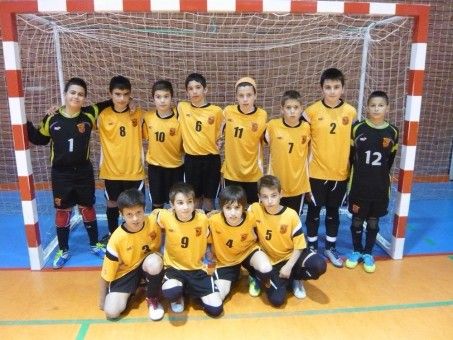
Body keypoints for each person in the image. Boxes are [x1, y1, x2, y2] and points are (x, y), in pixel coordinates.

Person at [26, 77, 106, 269]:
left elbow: (110, 103)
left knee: (87, 206)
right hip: (61, 174)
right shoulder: (52, 118)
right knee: (63, 210)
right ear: (65, 94)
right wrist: (24, 122)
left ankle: (95, 244)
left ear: (85, 98)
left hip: (83, 171)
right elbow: (40, 139)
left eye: (80, 94)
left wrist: (125, 102)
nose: (76, 97)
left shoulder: (89, 113)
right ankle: (63, 249)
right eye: (72, 92)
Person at [302, 68, 357, 267]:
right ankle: (312, 247)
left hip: (340, 174)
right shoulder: (311, 112)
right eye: (328, 87)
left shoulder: (350, 112)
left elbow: (355, 144)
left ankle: (330, 247)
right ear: (321, 88)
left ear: (342, 88)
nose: (332, 91)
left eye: (336, 87)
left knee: (333, 213)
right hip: (316, 173)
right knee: (314, 213)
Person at [248, 175, 326, 306]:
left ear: (281, 194)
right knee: (277, 301)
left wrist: (288, 266)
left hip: (292, 256)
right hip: (272, 261)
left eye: (273, 195)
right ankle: (261, 276)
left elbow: (300, 246)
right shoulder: (255, 209)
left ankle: (296, 278)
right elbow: (238, 218)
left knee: (319, 265)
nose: (270, 201)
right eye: (265, 197)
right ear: (259, 197)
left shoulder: (291, 215)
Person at [345, 91, 398, 273]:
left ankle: (368, 253)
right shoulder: (358, 128)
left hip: (380, 187)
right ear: (367, 107)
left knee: (374, 221)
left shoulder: (393, 132)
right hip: (359, 185)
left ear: (387, 108)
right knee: (357, 220)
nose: (376, 109)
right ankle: (356, 250)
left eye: (380, 105)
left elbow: (390, 160)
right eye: (373, 105)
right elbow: (351, 157)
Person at [156, 182, 223, 317]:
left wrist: (210, 260)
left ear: (194, 202)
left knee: (216, 310)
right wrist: (160, 250)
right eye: (180, 203)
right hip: (174, 269)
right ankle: (179, 295)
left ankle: (189, 290)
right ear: (172, 204)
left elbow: (208, 243)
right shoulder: (164, 216)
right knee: (171, 291)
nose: (185, 207)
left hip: (197, 269)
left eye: (189, 202)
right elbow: (153, 221)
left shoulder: (203, 219)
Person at [99, 188, 164, 320]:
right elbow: (105, 274)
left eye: (138, 212)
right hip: (126, 273)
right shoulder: (117, 238)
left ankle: (152, 298)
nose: (135, 219)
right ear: (121, 214)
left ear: (144, 209)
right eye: (129, 214)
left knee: (155, 262)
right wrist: (101, 301)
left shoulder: (154, 220)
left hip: (147, 265)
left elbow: (177, 213)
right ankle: (133, 290)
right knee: (111, 312)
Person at [97, 75, 146, 237]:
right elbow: (79, 115)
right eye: (118, 94)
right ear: (110, 94)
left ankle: (137, 234)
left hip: (134, 170)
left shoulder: (138, 114)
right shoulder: (102, 116)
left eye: (126, 94)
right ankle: (112, 234)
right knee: (112, 203)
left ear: (130, 94)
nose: (122, 98)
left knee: (136, 205)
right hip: (111, 170)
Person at [208, 185, 272, 301]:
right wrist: (210, 267)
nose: (233, 213)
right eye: (228, 208)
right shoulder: (213, 221)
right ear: (222, 208)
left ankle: (254, 275)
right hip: (226, 262)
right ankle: (235, 274)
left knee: (266, 268)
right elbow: (194, 221)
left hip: (248, 253)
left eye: (237, 207)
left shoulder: (251, 218)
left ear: (244, 207)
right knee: (218, 297)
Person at [176, 73, 223, 212]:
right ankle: (194, 231)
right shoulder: (182, 107)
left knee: (209, 199)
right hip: (192, 160)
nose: (194, 91)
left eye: (198, 87)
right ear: (187, 92)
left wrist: (221, 142)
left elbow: (222, 134)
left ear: (205, 90)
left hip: (211, 160)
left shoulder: (217, 111)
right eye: (190, 88)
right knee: (194, 199)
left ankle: (209, 231)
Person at [221, 77, 267, 204]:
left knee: (253, 210)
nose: (245, 99)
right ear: (236, 97)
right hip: (231, 172)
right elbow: (218, 133)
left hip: (253, 173)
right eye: (241, 95)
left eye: (249, 95)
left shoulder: (262, 115)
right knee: (230, 207)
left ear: (255, 95)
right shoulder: (228, 112)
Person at [265, 90, 311, 215]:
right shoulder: (272, 126)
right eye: (288, 107)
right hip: (275, 184)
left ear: (302, 109)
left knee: (293, 218)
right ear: (282, 109)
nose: (292, 111)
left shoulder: (307, 128)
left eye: (296, 107)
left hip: (298, 184)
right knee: (274, 217)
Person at [143, 80, 184, 210]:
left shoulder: (180, 117)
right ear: (153, 98)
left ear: (172, 97)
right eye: (158, 97)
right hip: (156, 168)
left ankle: (175, 230)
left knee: (176, 203)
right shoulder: (147, 117)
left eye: (166, 96)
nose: (162, 100)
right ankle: (157, 230)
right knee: (157, 204)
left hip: (176, 167)